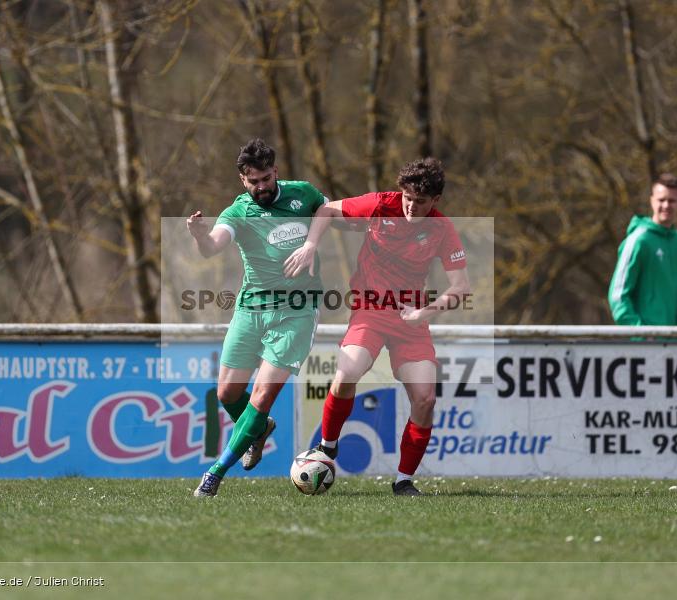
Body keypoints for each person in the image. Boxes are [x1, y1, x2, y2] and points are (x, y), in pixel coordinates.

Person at [283, 158, 470, 496]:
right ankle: (327, 446)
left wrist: (424, 313)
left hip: (411, 318)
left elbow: (460, 287)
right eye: (408, 198)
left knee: (425, 399)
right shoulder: (381, 205)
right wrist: (310, 244)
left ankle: (403, 481)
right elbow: (326, 210)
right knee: (347, 373)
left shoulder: (442, 229)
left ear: (436, 201)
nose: (411, 207)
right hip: (370, 310)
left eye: (421, 202)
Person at [186, 138, 327, 497]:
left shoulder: (302, 193)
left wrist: (311, 243)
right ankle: (259, 431)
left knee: (261, 398)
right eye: (254, 181)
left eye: (266, 178)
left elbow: (327, 209)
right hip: (252, 308)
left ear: (275, 172)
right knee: (227, 392)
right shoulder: (238, 212)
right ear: (242, 180)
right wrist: (201, 237)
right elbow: (214, 246)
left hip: (297, 310)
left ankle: (216, 473)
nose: (261, 187)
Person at [609, 173, 677, 326]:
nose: (666, 205)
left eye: (672, 200)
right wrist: (639, 331)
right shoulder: (638, 241)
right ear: (652, 201)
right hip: (646, 339)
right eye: (661, 200)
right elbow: (618, 296)